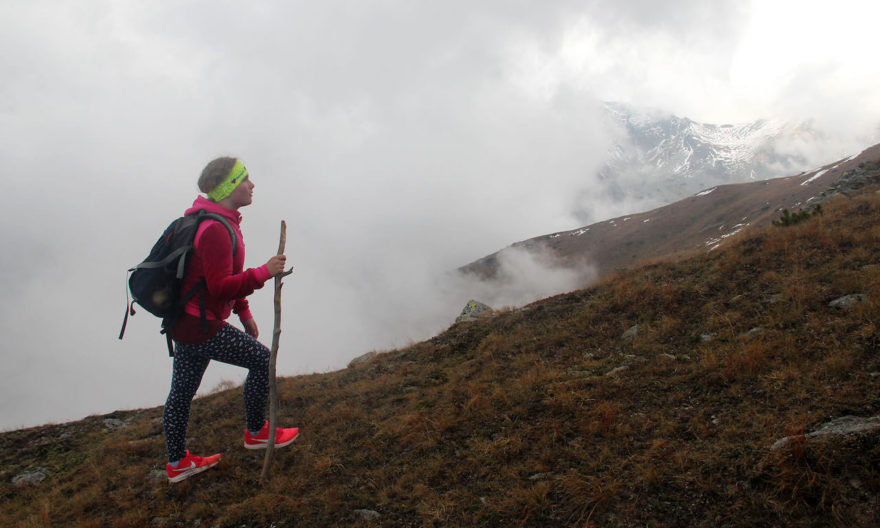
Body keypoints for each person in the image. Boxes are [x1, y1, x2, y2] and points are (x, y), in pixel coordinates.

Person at [163, 157, 299, 484]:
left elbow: (223, 276)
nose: (252, 185)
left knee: (181, 393)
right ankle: (256, 432)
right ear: (228, 188)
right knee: (263, 361)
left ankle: (178, 463)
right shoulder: (216, 230)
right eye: (244, 179)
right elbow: (219, 286)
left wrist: (243, 312)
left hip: (185, 322)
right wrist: (264, 272)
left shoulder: (218, 221)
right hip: (201, 325)